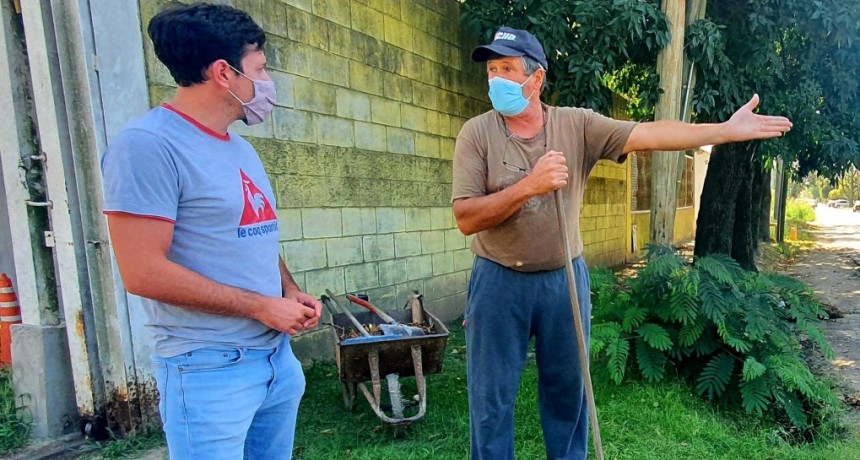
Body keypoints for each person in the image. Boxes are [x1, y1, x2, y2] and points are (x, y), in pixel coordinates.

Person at [452, 27, 792, 460]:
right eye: (491, 69)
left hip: (563, 283)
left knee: (568, 393)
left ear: (535, 80)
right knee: (491, 400)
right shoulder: (477, 134)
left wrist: (723, 131)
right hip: (498, 283)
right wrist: (529, 187)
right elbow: (466, 217)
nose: (495, 79)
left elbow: (649, 134)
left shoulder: (576, 125)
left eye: (507, 69)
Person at [100, 4, 321, 458]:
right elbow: (143, 273)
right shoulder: (147, 146)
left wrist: (288, 290)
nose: (266, 82)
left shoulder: (239, 149)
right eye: (259, 68)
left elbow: (252, 230)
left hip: (275, 360)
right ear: (224, 73)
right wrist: (261, 306)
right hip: (209, 369)